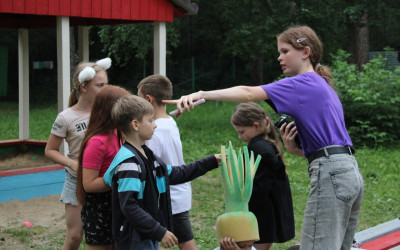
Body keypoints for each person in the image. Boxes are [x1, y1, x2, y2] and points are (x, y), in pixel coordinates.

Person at [164, 25, 364, 249]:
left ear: (306, 52)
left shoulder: (303, 82)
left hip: (332, 174)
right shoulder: (323, 85)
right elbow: (334, 143)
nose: (280, 57)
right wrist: (297, 150)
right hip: (350, 172)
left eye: (285, 51)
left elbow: (248, 93)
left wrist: (202, 94)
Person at [103, 94, 221, 250]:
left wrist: (211, 161)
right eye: (151, 120)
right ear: (135, 124)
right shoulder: (129, 163)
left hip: (147, 235)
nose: (155, 125)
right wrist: (159, 231)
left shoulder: (149, 156)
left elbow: (175, 174)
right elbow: (129, 207)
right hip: (134, 240)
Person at [44, 58, 111, 250]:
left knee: (109, 235)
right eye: (100, 85)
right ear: (83, 86)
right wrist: (72, 164)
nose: (105, 89)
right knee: (74, 236)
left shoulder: (108, 111)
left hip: (104, 180)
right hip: (76, 181)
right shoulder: (66, 117)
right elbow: (50, 150)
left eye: (106, 84)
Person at [137, 74, 197, 250]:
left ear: (148, 99)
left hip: (171, 196)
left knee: (187, 244)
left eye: (139, 99)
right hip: (178, 192)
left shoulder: (154, 130)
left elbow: (149, 166)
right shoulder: (169, 120)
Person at [230, 102, 295, 250]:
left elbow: (259, 187)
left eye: (242, 132)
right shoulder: (260, 144)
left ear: (256, 125)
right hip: (264, 211)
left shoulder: (260, 148)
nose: (240, 136)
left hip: (263, 214)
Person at [75, 85, 130, 250]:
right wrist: (121, 177)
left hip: (115, 203)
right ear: (111, 111)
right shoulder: (97, 142)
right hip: (99, 208)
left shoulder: (116, 134)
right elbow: (89, 184)